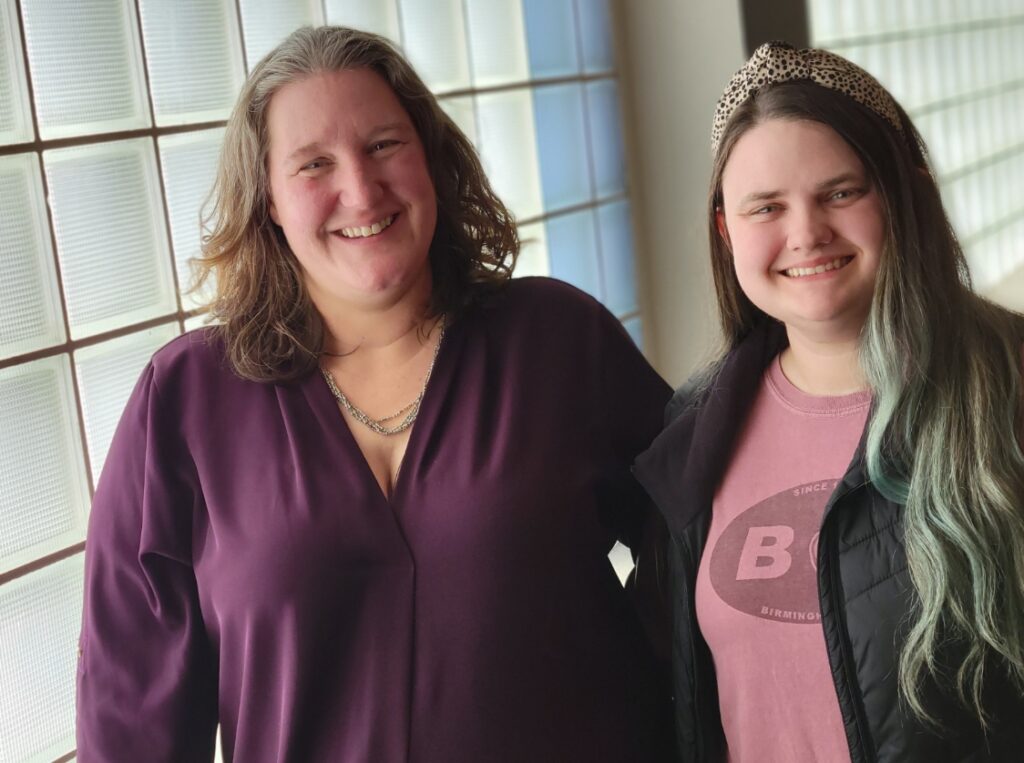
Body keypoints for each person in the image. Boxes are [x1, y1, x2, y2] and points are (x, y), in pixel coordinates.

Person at [76, 26, 673, 762]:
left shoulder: (556, 339)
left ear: (429, 156)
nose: (360, 190)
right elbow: (130, 712)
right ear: (267, 197)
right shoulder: (184, 402)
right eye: (314, 164)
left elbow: (711, 548)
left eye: (384, 144)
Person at [634, 42, 1024, 762]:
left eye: (841, 192)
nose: (806, 232)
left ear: (905, 195)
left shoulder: (1008, 389)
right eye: (766, 207)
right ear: (727, 230)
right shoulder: (695, 428)